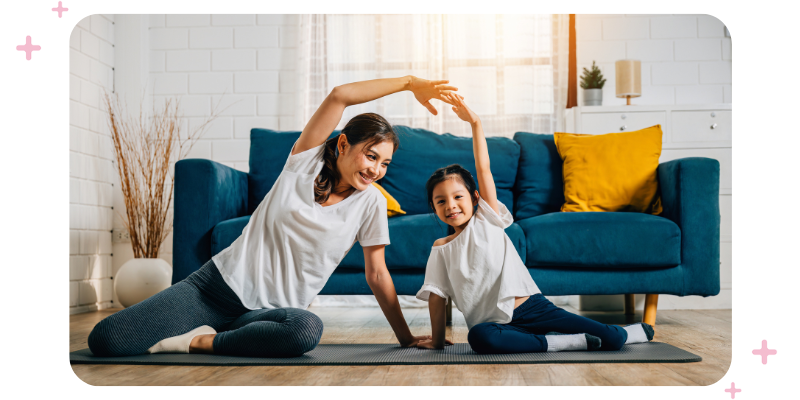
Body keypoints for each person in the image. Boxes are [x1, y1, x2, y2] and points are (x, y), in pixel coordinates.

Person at [88, 76, 462, 358]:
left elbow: (377, 274)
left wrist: (406, 338)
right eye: (370, 156)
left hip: (268, 315)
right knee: (106, 340)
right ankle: (214, 329)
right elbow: (339, 96)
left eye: (385, 163)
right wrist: (412, 83)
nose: (377, 169)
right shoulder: (306, 161)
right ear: (344, 144)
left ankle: (200, 340)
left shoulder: (371, 205)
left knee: (305, 330)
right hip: (214, 288)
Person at [413, 93, 655, 354]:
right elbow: (437, 297)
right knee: (479, 338)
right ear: (433, 207)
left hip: (532, 309)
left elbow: (484, 169)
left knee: (612, 341)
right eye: (440, 201)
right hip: (497, 327)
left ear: (475, 198)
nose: (450, 205)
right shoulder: (441, 248)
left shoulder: (487, 218)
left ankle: (625, 332)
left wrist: (475, 123)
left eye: (457, 197)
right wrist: (437, 342)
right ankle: (565, 342)